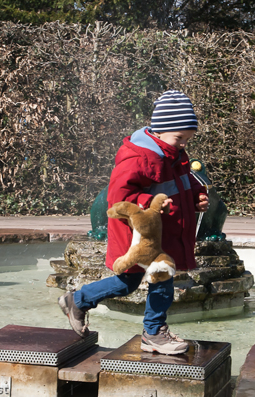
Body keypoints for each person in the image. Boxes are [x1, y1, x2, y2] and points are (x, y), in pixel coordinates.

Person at [58, 90, 209, 355]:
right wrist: (147, 202)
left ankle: (81, 301)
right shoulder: (140, 157)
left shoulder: (175, 155)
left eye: (188, 138)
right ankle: (151, 332)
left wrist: (197, 198)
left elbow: (184, 185)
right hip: (138, 235)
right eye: (180, 138)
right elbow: (118, 198)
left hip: (160, 235)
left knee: (156, 278)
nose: (184, 143)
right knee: (134, 282)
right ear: (161, 131)